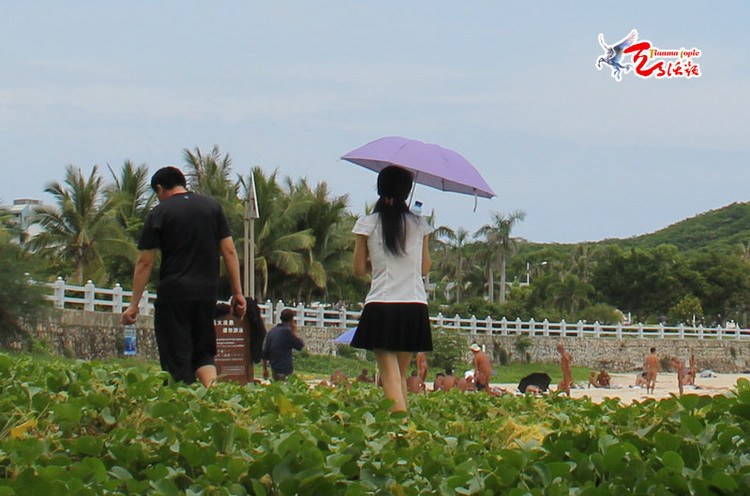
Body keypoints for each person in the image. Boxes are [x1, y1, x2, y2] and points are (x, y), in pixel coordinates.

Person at [122, 166, 246, 387]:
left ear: (160, 189)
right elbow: (228, 251)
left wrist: (133, 304)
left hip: (174, 295)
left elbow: (145, 262)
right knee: (204, 352)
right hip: (206, 294)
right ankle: (213, 394)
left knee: (177, 357)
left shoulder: (160, 212)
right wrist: (238, 293)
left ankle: (184, 403)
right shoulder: (213, 207)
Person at [350, 166, 433, 413]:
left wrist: (376, 261)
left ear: (380, 188)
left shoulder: (367, 224)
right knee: (400, 374)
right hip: (414, 306)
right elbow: (425, 268)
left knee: (389, 376)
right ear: (407, 193)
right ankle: (404, 430)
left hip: (382, 305)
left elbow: (358, 269)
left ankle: (400, 430)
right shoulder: (420, 225)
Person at [262, 308, 304, 381]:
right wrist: (294, 331)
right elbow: (300, 346)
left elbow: (265, 352)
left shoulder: (272, 331)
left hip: (274, 369)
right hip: (285, 370)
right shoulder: (287, 331)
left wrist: (265, 369)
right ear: (292, 319)